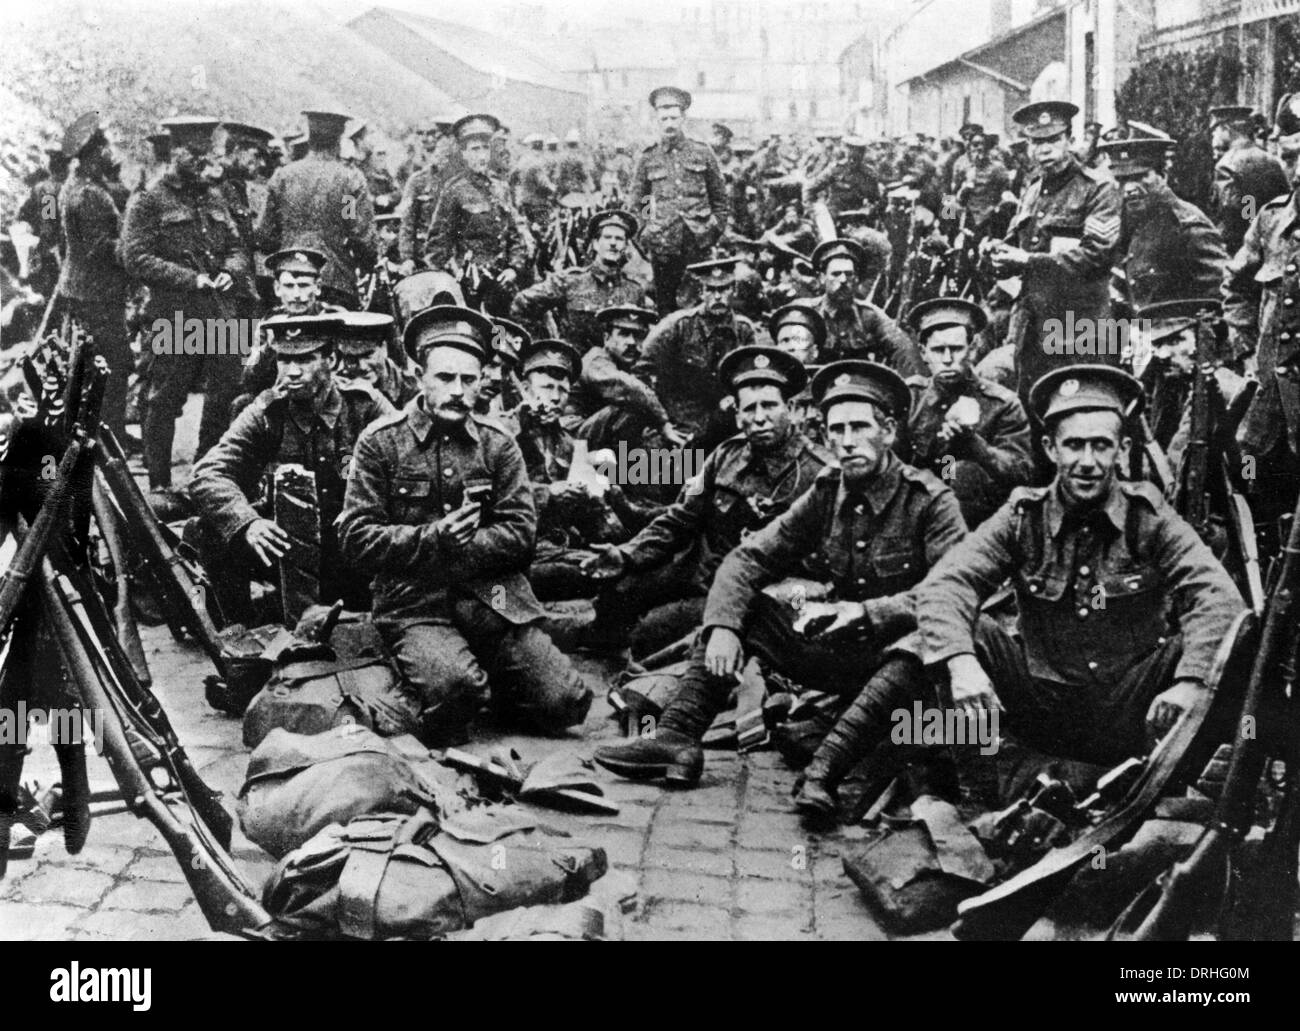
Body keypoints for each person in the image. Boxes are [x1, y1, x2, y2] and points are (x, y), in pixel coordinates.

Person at [793, 365, 1246, 820]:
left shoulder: (1149, 517)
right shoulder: (1022, 516)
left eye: (1101, 444)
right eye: (1073, 444)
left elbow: (1217, 597)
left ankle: (1195, 790)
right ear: (1050, 448)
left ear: (1122, 449)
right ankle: (825, 773)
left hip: (1129, 708)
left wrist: (1190, 682)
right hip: (1041, 707)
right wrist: (962, 663)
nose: (1087, 461)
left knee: (1236, 648)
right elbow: (948, 584)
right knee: (938, 638)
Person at [593, 360, 966, 787]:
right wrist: (723, 626)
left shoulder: (932, 502)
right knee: (751, 611)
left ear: (889, 431)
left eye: (860, 428)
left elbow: (951, 594)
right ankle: (676, 737)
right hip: (845, 655)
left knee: (917, 647)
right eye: (836, 431)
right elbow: (747, 559)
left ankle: (824, 774)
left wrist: (866, 613)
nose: (847, 442)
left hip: (903, 666)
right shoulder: (828, 488)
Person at [338, 304, 593, 744]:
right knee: (456, 693)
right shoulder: (381, 442)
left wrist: (464, 544)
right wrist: (432, 538)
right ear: (419, 377)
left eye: (469, 380)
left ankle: (491, 678)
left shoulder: (498, 443)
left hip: (494, 599)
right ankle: (414, 667)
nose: (458, 390)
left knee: (566, 704)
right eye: (445, 378)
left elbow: (520, 533)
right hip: (415, 602)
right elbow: (357, 536)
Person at [580, 346, 831, 656]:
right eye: (750, 409)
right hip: (696, 569)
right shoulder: (726, 455)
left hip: (750, 592)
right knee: (617, 589)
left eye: (769, 406)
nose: (760, 418)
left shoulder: (821, 473)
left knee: (651, 634)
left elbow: (822, 567)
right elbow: (680, 519)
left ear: (790, 408)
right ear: (737, 415)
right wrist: (627, 554)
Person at [189, 313, 394, 627]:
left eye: (307, 359)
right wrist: (248, 523)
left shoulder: (365, 406)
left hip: (351, 549)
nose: (293, 372)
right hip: (287, 548)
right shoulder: (265, 412)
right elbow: (208, 473)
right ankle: (241, 633)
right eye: (285, 360)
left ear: (332, 359)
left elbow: (407, 464)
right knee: (212, 530)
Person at [120, 115, 245, 501]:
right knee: (165, 397)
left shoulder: (215, 196)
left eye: (206, 152)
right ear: (175, 153)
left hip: (219, 312)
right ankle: (159, 483)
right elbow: (134, 257)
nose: (202, 161)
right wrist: (190, 279)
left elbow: (238, 247)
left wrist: (229, 272)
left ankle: (207, 472)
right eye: (193, 153)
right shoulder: (149, 200)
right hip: (174, 313)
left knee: (225, 392)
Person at [984, 101, 1121, 406]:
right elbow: (1016, 247)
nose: (1043, 150)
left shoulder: (1098, 187)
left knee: (1080, 408)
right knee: (1032, 407)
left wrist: (1028, 260)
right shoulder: (1032, 189)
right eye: (1036, 142)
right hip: (1032, 323)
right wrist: (997, 254)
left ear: (1069, 141)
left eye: (1052, 141)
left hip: (1078, 324)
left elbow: (1097, 254)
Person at [1221, 92, 1300, 527]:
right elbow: (1236, 286)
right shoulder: (1271, 220)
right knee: (1251, 490)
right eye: (1291, 158)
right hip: (1266, 407)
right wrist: (1247, 347)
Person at [503, 337, 627, 600]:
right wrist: (547, 494)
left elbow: (586, 514)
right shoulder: (504, 433)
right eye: (547, 387)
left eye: (563, 390)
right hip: (516, 550)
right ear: (524, 389)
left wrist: (599, 493)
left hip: (557, 547)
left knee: (616, 569)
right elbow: (495, 495)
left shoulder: (568, 444)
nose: (556, 397)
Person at [901, 297, 1033, 527]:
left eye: (956, 349)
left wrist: (977, 448)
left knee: (964, 471)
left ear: (972, 349)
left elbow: (1022, 472)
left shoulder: (1002, 404)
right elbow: (890, 462)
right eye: (938, 350)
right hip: (916, 518)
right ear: (923, 353)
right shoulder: (909, 398)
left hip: (981, 523)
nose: (948, 359)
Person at [57, 113, 131, 444]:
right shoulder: (89, 194)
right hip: (97, 293)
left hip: (84, 289)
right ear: (94, 152)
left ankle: (101, 432)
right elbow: (100, 247)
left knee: (92, 363)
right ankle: (108, 436)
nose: (110, 153)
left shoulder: (78, 187)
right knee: (113, 366)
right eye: (106, 147)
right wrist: (135, 252)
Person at [257, 109, 377, 309]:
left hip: (289, 281)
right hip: (335, 280)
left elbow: (265, 236)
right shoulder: (348, 181)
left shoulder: (283, 177)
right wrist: (365, 265)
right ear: (339, 138)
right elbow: (358, 233)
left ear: (310, 137)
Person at [635, 256, 757, 452]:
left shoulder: (744, 331)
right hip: (681, 423)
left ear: (733, 290)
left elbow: (752, 378)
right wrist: (662, 420)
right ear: (701, 292)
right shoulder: (677, 326)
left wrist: (736, 397)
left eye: (724, 289)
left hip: (726, 422)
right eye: (711, 290)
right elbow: (643, 374)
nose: (717, 297)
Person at [1095, 135, 1228, 313]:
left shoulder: (1186, 225)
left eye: (1140, 176)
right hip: (1140, 333)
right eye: (1121, 180)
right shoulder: (1129, 217)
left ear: (1163, 175)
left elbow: (1224, 290)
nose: (1129, 188)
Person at [632, 86, 729, 315]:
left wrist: (715, 227)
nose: (669, 123)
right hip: (662, 242)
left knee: (699, 302)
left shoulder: (702, 152)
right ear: (656, 120)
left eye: (674, 118)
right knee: (665, 303)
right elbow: (641, 200)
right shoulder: (649, 157)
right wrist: (646, 232)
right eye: (663, 118)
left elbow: (720, 197)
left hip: (698, 240)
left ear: (683, 118)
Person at [423, 114, 528, 315]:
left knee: (500, 335)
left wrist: (514, 268)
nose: (481, 155)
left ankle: (497, 345)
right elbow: (437, 245)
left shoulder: (501, 187)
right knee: (473, 337)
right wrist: (448, 281)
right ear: (463, 153)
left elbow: (515, 234)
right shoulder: (454, 191)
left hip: (501, 285)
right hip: (469, 288)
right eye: (474, 149)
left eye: (485, 148)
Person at [510, 209, 648, 352]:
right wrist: (542, 348)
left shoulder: (634, 291)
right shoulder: (570, 281)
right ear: (595, 244)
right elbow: (522, 303)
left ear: (625, 246)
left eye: (619, 239)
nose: (613, 243)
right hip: (576, 367)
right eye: (607, 237)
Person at [564, 304, 674, 452]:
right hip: (573, 437)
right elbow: (629, 389)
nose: (632, 342)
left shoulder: (634, 366)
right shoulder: (596, 360)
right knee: (630, 404)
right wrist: (663, 422)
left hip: (602, 437)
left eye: (639, 335)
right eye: (624, 334)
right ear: (606, 338)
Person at [812, 238, 924, 374]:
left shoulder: (870, 315)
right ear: (822, 278)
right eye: (835, 274)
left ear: (857, 279)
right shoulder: (809, 314)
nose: (842, 280)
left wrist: (914, 382)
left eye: (849, 274)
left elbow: (904, 350)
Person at [1208, 105, 1289, 255]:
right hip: (1273, 245)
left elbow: (1232, 214)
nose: (1214, 138)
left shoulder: (1227, 165)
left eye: (1215, 132)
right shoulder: (1271, 160)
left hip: (1243, 249)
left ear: (1226, 130)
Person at [396, 116, 458, 272]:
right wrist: (407, 258)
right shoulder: (418, 181)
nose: (444, 149)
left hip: (458, 259)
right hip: (424, 259)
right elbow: (408, 224)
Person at [332, 310, 419, 409]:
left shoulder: (413, 389)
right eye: (351, 358)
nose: (362, 366)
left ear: (384, 348)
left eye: (368, 355)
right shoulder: (337, 388)